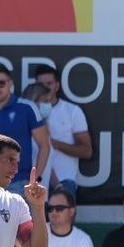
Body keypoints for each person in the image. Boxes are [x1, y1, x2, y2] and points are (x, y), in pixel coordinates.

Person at [0, 63, 49, 193]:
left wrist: (35, 179)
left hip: (20, 183)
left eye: (1, 83)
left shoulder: (27, 108)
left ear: (10, 83)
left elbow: (44, 145)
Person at [33, 64, 92, 200]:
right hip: (34, 180)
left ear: (57, 86)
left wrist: (50, 143)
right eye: (41, 84)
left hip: (64, 180)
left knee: (64, 221)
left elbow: (86, 151)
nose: (45, 88)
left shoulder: (72, 111)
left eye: (49, 83)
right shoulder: (27, 111)